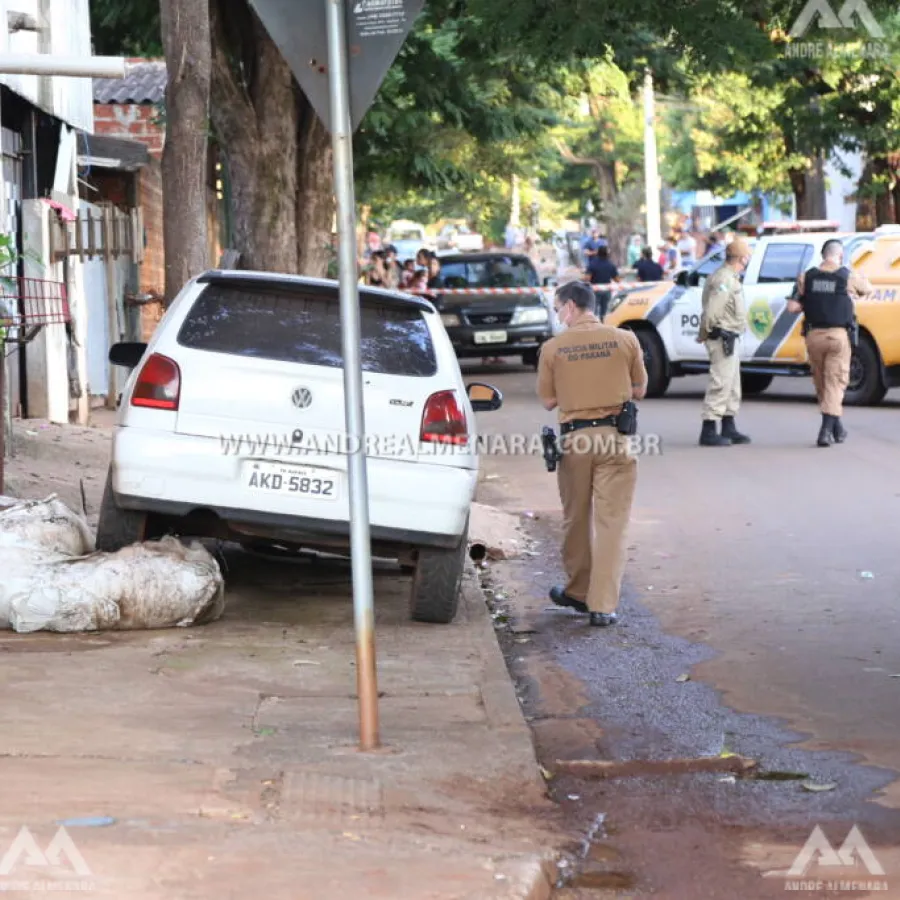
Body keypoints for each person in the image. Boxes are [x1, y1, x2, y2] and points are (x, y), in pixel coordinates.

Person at [537, 281, 648, 627]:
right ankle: (603, 605)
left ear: (570, 306)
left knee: (575, 519)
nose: (558, 315)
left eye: (557, 309)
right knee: (612, 522)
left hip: (575, 442)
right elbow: (640, 389)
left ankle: (578, 590)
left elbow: (548, 401)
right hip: (614, 439)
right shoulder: (626, 339)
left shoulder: (553, 349)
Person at [787, 239, 874, 446]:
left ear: (822, 255)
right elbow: (868, 290)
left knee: (823, 383)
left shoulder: (806, 277)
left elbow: (792, 307)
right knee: (835, 382)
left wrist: (811, 303)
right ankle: (825, 432)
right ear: (840, 255)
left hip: (813, 337)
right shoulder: (847, 276)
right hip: (837, 337)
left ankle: (837, 428)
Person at [696, 238, 753, 446]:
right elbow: (712, 311)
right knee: (720, 382)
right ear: (741, 258)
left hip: (730, 337)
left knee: (732, 384)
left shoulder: (730, 277)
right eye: (747, 256)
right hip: (721, 337)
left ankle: (729, 426)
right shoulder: (724, 279)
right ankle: (709, 429)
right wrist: (704, 333)